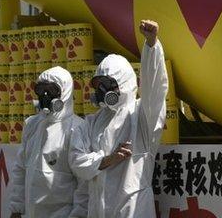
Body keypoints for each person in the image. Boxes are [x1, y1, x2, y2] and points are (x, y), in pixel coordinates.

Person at [69, 19, 168, 217]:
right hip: (99, 210)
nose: (103, 91)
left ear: (124, 84)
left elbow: (155, 89)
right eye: (100, 85)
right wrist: (108, 159)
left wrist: (151, 47)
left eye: (109, 84)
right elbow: (76, 161)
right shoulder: (92, 122)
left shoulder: (141, 116)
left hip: (132, 209)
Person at [9, 66, 87, 218]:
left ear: (64, 92)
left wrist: (78, 215)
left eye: (51, 91)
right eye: (41, 89)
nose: (45, 95)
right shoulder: (32, 124)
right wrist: (16, 208)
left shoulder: (77, 129)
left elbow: (84, 183)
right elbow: (21, 169)